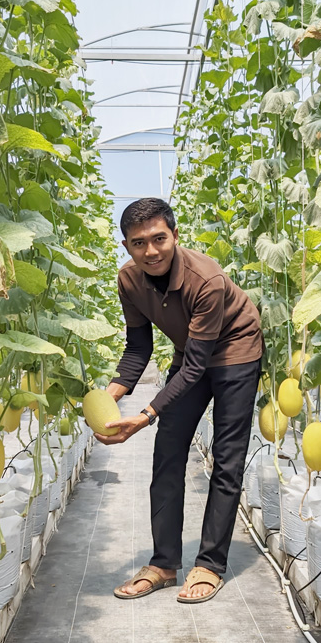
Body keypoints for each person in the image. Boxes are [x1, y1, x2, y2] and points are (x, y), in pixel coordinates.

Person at [96, 197, 264, 604]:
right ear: (127, 246)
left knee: (227, 457)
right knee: (168, 451)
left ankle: (209, 564)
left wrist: (146, 414)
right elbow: (137, 348)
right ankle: (164, 564)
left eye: (158, 239)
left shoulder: (207, 279)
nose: (150, 251)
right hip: (192, 352)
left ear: (174, 235)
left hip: (236, 350)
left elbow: (196, 369)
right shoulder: (129, 281)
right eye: (138, 243)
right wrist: (108, 397)